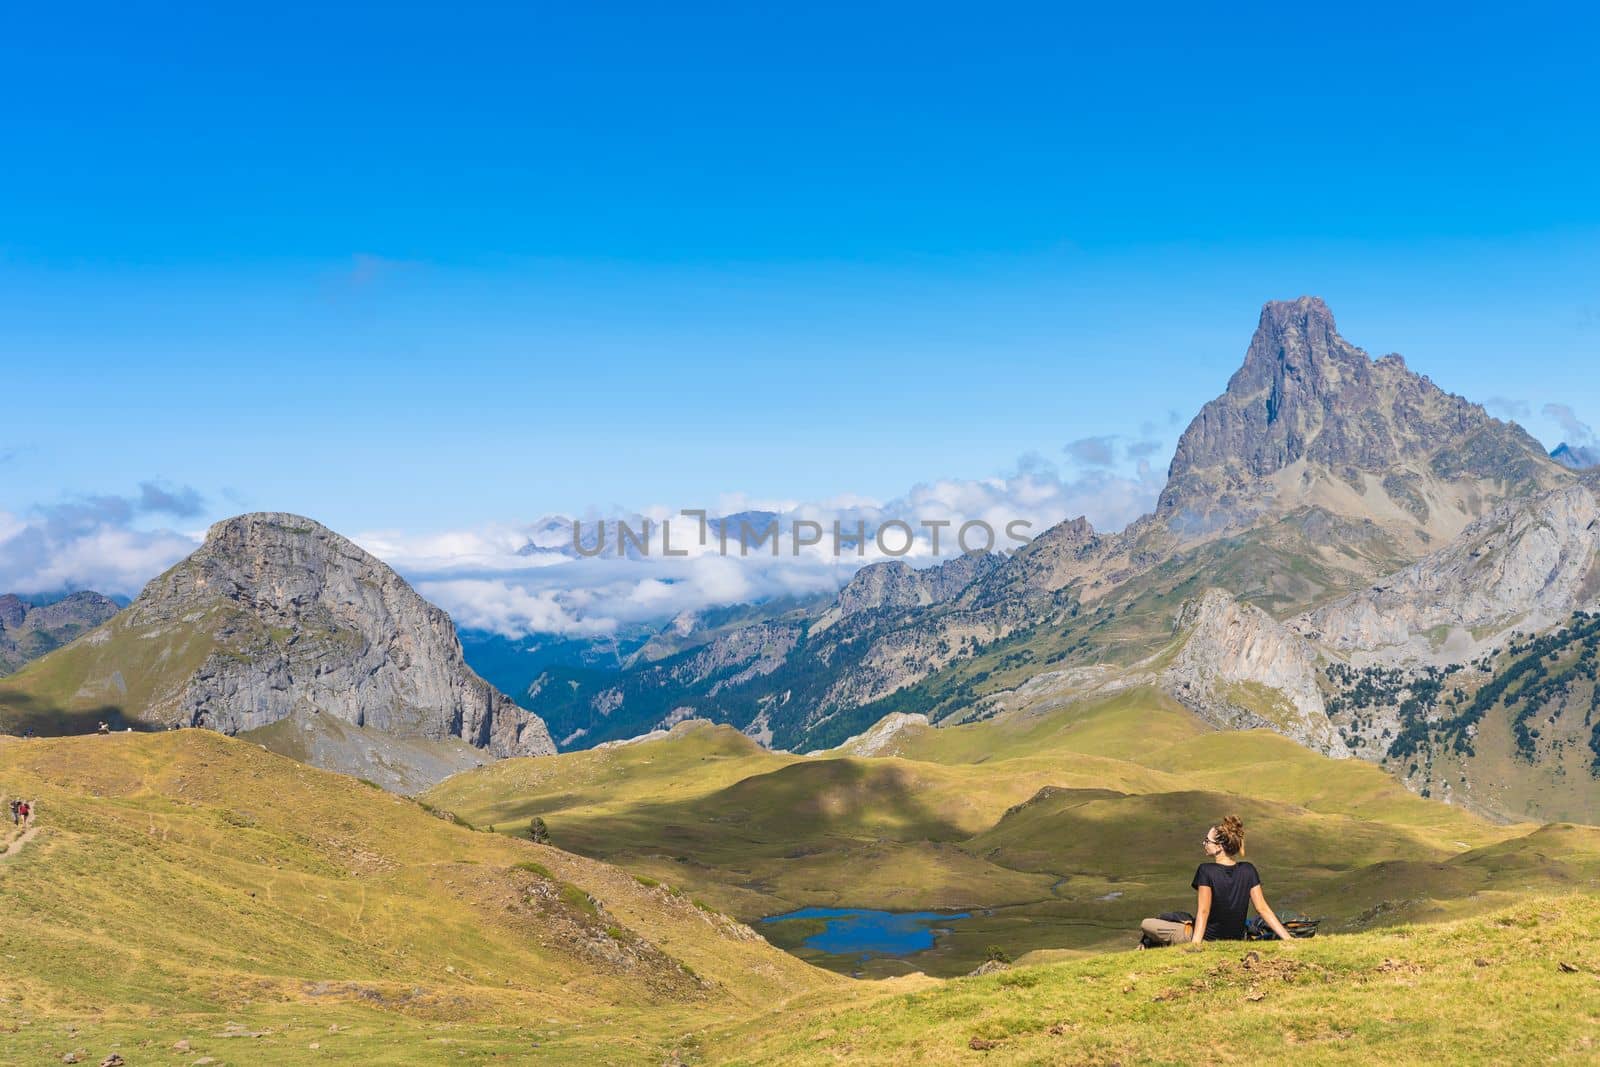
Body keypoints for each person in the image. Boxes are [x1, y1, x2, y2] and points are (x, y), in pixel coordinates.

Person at [1138, 816, 1296, 947]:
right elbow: (1263, 909)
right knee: (1180, 918)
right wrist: (1288, 939)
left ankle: (1158, 944)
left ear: (1219, 847)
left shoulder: (1206, 871)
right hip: (1237, 938)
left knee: (1147, 924)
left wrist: (1196, 944)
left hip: (1207, 938)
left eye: (1207, 841)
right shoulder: (1249, 870)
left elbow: (1204, 911)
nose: (1204, 844)